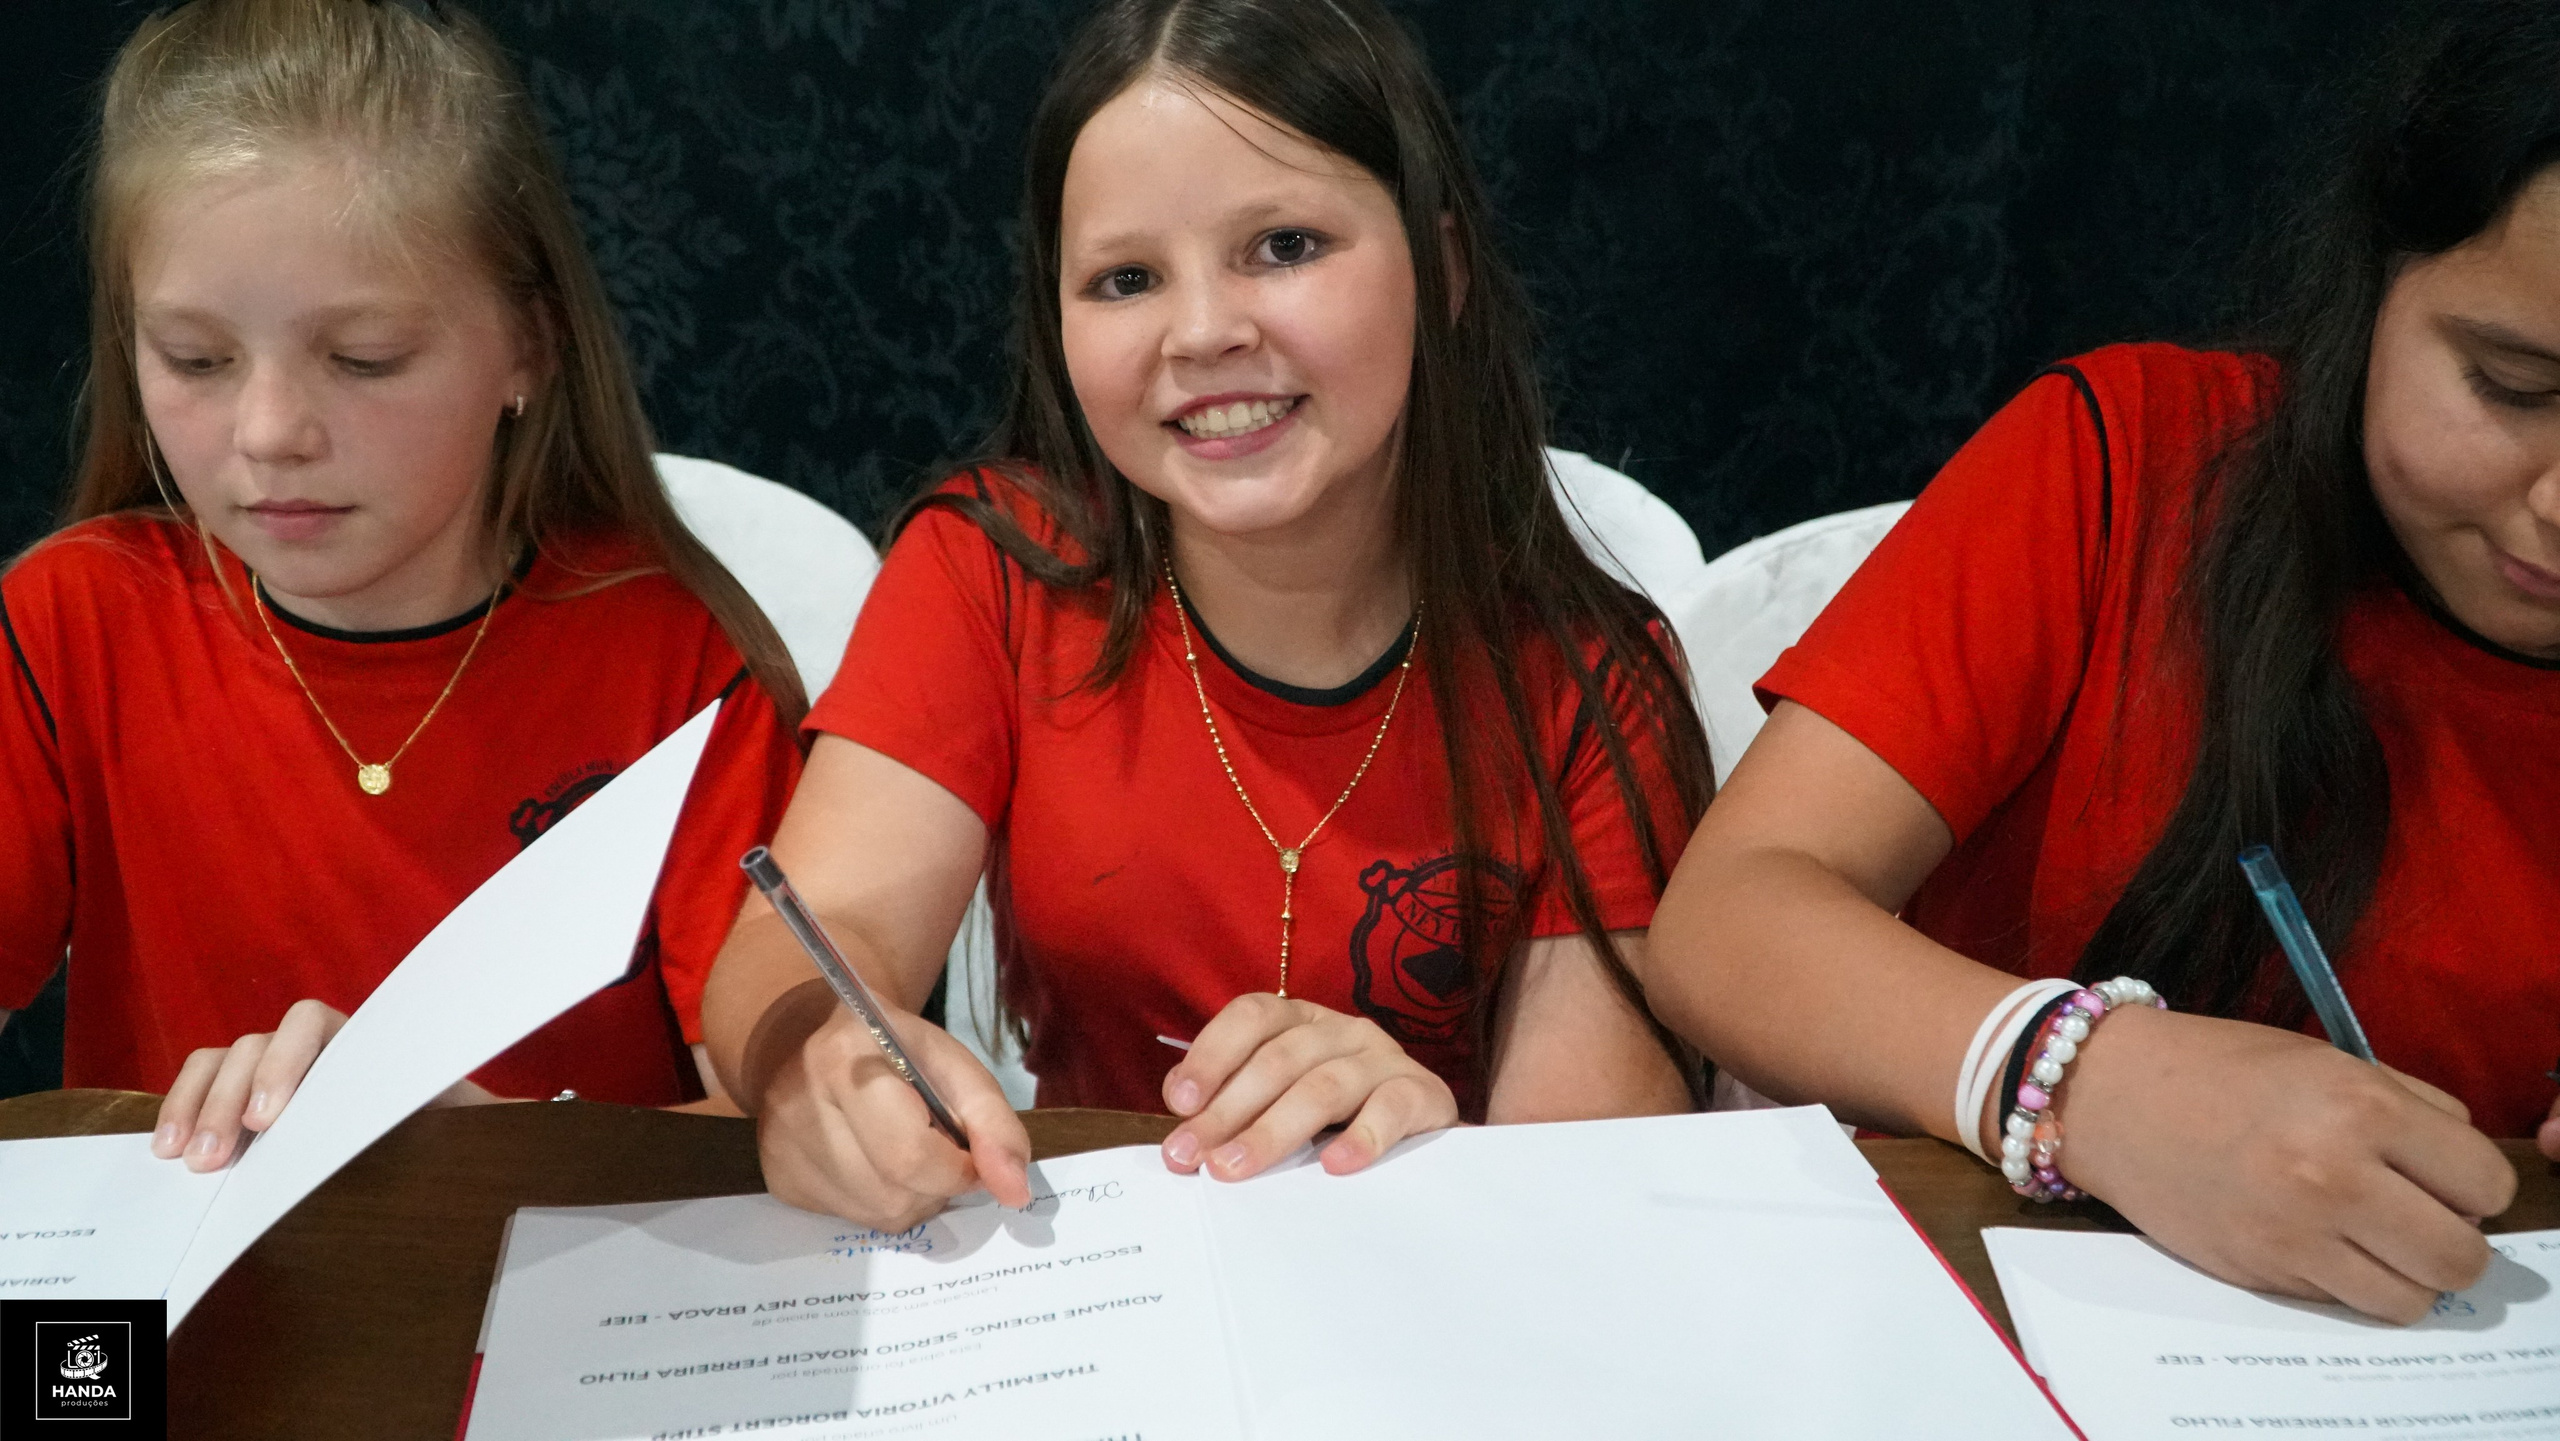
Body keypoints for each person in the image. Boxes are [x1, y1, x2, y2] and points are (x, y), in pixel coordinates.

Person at [702, 0, 1715, 1230]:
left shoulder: (1589, 676)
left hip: (1426, 1287)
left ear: (1438, 271)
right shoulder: (992, 569)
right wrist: (812, 1058)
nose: (1201, 333)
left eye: (1283, 246)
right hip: (1078, 1271)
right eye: (1125, 279)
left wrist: (1427, 1127)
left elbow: (1591, 1181)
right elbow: (814, 930)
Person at [1645, 0, 2559, 1325]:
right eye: (2512, 387)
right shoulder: (2130, 469)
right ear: (2373, 284)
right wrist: (2088, 1085)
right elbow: (1728, 923)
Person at [0, 0, 806, 1169]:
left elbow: (788, 1125)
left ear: (528, 345)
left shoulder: (674, 665)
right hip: (169, 1330)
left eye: (364, 357)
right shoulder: (72, 623)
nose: (270, 432)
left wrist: (474, 1159)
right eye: (196, 360)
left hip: (543, 1298)